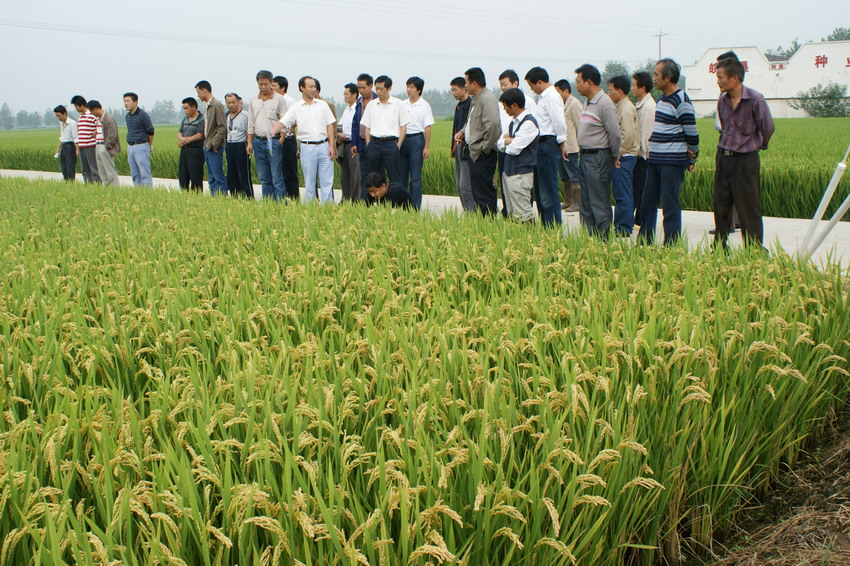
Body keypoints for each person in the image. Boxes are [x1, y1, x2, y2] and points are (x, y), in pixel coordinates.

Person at [713, 55, 775, 248]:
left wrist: (756, 146)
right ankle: (719, 250)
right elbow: (724, 128)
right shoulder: (723, 101)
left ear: (734, 78)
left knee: (748, 208)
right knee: (721, 206)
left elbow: (767, 128)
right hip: (724, 158)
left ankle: (754, 251)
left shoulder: (755, 100)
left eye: (721, 77)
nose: (718, 81)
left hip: (745, 161)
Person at [638, 58, 700, 245]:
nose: (654, 78)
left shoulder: (682, 100)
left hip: (672, 161)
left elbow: (692, 132)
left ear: (668, 77)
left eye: (656, 74)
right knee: (647, 202)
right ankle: (645, 242)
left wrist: (692, 156)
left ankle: (671, 245)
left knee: (670, 204)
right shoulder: (662, 99)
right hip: (655, 159)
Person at [273, 76, 337, 204]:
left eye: (314, 86)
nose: (313, 89)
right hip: (307, 147)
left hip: (324, 145)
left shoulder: (323, 105)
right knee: (309, 182)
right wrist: (271, 132)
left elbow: (330, 125)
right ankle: (310, 209)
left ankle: (328, 209)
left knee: (327, 182)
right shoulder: (296, 107)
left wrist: (331, 145)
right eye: (310, 86)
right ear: (302, 88)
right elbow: (284, 122)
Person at [574, 64, 621, 238]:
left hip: (599, 157)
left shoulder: (604, 103)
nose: (577, 85)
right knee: (585, 200)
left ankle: (603, 240)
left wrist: (614, 155)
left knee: (598, 199)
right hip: (585, 156)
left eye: (579, 81)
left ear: (589, 82)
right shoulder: (587, 103)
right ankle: (588, 238)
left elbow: (614, 134)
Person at [525, 66, 568, 226]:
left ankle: (553, 226)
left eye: (532, 86)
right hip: (540, 145)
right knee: (540, 189)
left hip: (548, 144)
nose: (532, 89)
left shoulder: (551, 96)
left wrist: (562, 142)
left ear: (539, 82)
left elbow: (559, 122)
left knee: (548, 189)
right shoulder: (543, 97)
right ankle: (545, 224)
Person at [456, 67, 500, 215]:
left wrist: (484, 148)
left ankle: (489, 220)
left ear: (474, 83)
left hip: (482, 154)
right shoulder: (476, 99)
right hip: (474, 152)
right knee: (477, 190)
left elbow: (493, 125)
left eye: (466, 82)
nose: (465, 86)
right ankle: (483, 220)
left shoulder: (487, 99)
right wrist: (463, 132)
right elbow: (472, 122)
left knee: (484, 191)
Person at [496, 88, 539, 223]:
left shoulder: (529, 123)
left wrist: (507, 142)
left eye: (505, 106)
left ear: (514, 105)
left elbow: (514, 149)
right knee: (512, 212)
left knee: (523, 212)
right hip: (509, 172)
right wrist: (507, 141)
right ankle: (518, 235)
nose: (504, 109)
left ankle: (530, 235)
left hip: (521, 173)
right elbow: (499, 144)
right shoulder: (513, 123)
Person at [360, 75, 409, 187]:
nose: (378, 91)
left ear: (389, 88)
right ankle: (374, 198)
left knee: (395, 176)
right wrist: (368, 144)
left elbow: (403, 126)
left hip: (390, 143)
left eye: (381, 89)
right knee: (373, 177)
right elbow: (367, 127)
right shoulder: (371, 105)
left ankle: (396, 198)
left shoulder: (398, 104)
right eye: (376, 88)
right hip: (374, 144)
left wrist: (398, 146)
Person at [247, 70, 288, 200]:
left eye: (266, 84)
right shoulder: (253, 100)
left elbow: (285, 120)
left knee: (276, 176)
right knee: (263, 176)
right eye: (260, 84)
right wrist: (249, 142)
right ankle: (268, 203)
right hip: (258, 140)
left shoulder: (279, 99)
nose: (263, 87)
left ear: (271, 83)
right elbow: (251, 122)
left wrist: (282, 138)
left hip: (273, 141)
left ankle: (280, 203)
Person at [607, 75, 640, 236]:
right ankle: (621, 224)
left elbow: (627, 135)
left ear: (619, 91)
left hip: (625, 156)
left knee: (623, 192)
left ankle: (624, 227)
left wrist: (618, 154)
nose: (609, 93)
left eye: (610, 90)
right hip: (623, 155)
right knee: (621, 191)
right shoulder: (620, 106)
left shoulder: (626, 108)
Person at [401, 76, 435, 210]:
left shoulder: (424, 105)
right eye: (407, 87)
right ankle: (403, 204)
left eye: (411, 87)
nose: (408, 90)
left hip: (416, 140)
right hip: (403, 139)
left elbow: (427, 127)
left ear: (419, 90)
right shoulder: (403, 104)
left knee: (415, 176)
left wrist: (426, 147)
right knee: (402, 175)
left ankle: (415, 207)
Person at [631, 71, 656, 226]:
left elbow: (646, 134)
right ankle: (638, 218)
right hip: (639, 155)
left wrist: (642, 153)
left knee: (642, 188)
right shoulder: (641, 105)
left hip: (644, 156)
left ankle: (641, 219)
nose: (632, 88)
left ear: (643, 87)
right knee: (638, 188)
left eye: (634, 85)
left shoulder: (648, 107)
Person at [195, 81, 228, 196]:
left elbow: (222, 126)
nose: (198, 95)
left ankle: (222, 198)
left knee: (217, 174)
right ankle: (213, 197)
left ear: (204, 91)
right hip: (207, 144)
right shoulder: (207, 105)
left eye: (198, 92)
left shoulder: (216, 104)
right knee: (211, 175)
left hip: (214, 146)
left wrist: (215, 144)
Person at [554, 79, 582, 212]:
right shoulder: (561, 104)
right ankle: (568, 200)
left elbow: (580, 125)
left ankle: (577, 202)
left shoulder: (574, 104)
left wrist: (580, 144)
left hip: (571, 147)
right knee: (564, 176)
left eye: (558, 92)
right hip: (561, 146)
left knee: (574, 175)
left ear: (565, 91)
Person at [272, 75, 300, 200]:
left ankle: (293, 198)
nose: (272, 88)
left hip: (287, 139)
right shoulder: (273, 100)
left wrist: (288, 127)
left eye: (274, 85)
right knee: (278, 170)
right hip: (275, 139)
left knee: (290, 171)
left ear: (283, 87)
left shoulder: (291, 102)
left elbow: (296, 120)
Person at [450, 77, 475, 213]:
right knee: (459, 186)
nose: (453, 93)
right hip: (459, 147)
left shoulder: (471, 105)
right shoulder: (459, 106)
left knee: (465, 185)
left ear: (464, 89)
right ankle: (467, 211)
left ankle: (473, 213)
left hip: (467, 149)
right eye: (452, 90)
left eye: (455, 90)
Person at [351, 73, 377, 198]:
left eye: (363, 87)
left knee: (376, 174)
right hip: (361, 143)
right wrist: (354, 143)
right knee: (364, 175)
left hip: (376, 143)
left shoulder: (377, 101)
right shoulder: (359, 103)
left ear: (371, 86)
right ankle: (365, 202)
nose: (361, 90)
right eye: (359, 88)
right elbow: (355, 124)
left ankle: (378, 200)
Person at [225, 93, 253, 199]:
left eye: (233, 102)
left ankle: (248, 197)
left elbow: (250, 130)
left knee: (243, 173)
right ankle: (235, 197)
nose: (231, 105)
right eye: (228, 103)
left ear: (238, 102)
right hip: (230, 145)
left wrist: (249, 144)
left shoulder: (245, 115)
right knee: (232, 173)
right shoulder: (228, 116)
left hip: (241, 145)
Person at [86, 100, 121, 186]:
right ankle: (106, 189)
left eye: (91, 111)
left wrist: (106, 146)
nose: (92, 114)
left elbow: (113, 135)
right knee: (102, 172)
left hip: (104, 146)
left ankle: (115, 189)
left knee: (110, 171)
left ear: (95, 109)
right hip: (98, 145)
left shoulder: (108, 119)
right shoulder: (99, 119)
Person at [124, 92, 155, 186]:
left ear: (135, 102)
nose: (126, 103)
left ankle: (147, 192)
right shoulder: (128, 116)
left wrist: (149, 145)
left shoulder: (143, 115)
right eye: (124, 101)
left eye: (128, 101)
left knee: (144, 173)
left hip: (141, 146)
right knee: (135, 174)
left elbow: (150, 131)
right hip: (131, 147)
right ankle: (138, 192)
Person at [336, 83, 361, 202]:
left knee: (355, 175)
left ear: (354, 95)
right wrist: (339, 134)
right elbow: (339, 126)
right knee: (344, 175)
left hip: (353, 144)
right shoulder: (347, 109)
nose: (345, 96)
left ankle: (356, 201)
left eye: (347, 94)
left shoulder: (358, 109)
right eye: (344, 94)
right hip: (344, 144)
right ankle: (345, 200)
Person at [177, 97, 205, 191]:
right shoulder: (185, 119)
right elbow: (180, 132)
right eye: (184, 108)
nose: (185, 110)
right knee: (183, 176)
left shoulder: (202, 119)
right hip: (184, 150)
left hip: (195, 151)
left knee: (195, 177)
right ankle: (185, 196)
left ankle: (196, 196)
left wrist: (186, 140)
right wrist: (181, 139)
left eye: (186, 108)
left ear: (194, 107)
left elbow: (200, 135)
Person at [71, 95, 101, 184]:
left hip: (90, 146)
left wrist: (95, 132)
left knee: (94, 168)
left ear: (81, 105)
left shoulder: (92, 115)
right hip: (82, 146)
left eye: (76, 106)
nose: (76, 108)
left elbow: (99, 126)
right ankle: (88, 185)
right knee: (85, 169)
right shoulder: (81, 116)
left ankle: (97, 185)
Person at [53, 105, 77, 182]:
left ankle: (71, 183)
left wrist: (77, 150)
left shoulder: (72, 123)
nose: (58, 118)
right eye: (56, 116)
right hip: (63, 146)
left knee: (70, 167)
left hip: (70, 147)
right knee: (64, 167)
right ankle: (66, 182)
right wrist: (58, 148)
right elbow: (62, 137)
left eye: (59, 115)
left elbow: (75, 138)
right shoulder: (61, 123)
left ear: (64, 113)